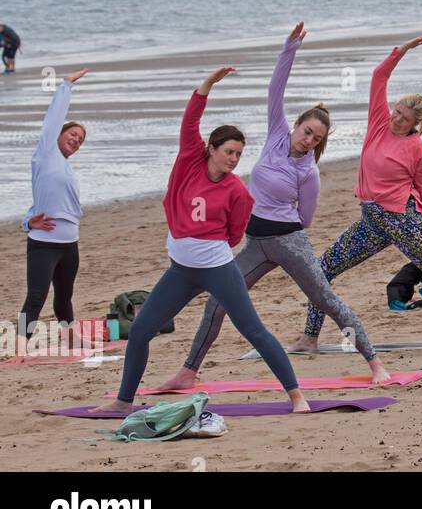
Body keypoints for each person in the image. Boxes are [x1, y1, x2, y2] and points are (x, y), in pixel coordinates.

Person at [159, 24, 389, 391]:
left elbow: (307, 217)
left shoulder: (308, 172)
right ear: (296, 125)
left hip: (289, 242)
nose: (308, 138)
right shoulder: (276, 133)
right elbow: (275, 87)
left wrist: (283, 226)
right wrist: (290, 47)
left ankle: (375, 362)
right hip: (255, 244)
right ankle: (189, 371)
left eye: (316, 137)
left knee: (326, 300)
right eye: (306, 130)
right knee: (217, 303)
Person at [92, 66, 307, 414]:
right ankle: (123, 401)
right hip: (181, 270)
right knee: (142, 329)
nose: (234, 160)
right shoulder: (189, 162)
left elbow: (235, 234)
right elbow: (190, 122)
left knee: (252, 329)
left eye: (239, 154)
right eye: (229, 152)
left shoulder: (237, 190)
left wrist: (206, 244)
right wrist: (206, 86)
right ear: (211, 148)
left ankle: (297, 395)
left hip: (216, 269)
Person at [292, 36, 422, 352]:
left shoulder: (417, 149)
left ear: (415, 124)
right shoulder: (378, 122)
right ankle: (309, 338)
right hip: (372, 221)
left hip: (404, 221)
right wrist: (401, 51)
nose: (396, 117)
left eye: (403, 117)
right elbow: (379, 77)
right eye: (397, 111)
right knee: (321, 271)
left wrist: (401, 197)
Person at [18, 68, 89, 341]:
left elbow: (44, 201)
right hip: (45, 245)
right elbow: (53, 119)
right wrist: (66, 86)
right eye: (72, 134)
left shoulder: (64, 169)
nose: (76, 140)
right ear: (58, 135)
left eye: (80, 140)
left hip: (70, 244)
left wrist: (27, 219)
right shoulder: (46, 154)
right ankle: (20, 344)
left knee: (64, 297)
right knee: (36, 296)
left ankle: (70, 339)